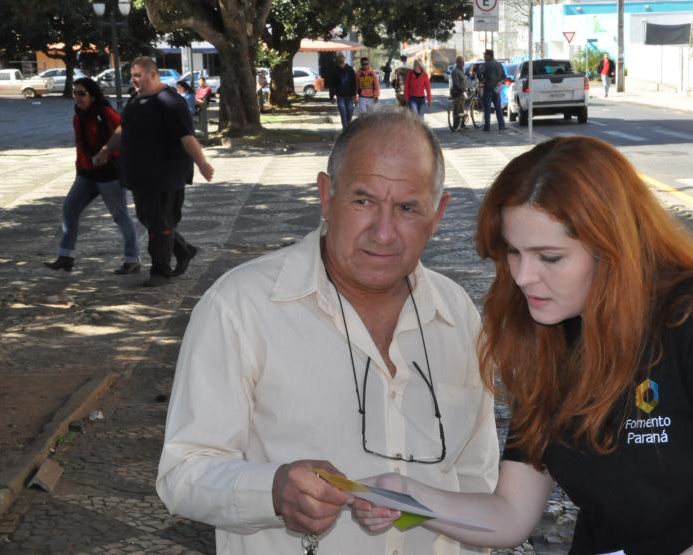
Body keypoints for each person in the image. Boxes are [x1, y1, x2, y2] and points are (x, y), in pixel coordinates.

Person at [353, 136, 693, 554]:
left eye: (550, 258)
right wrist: (409, 497)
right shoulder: (545, 334)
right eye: (514, 252)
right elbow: (511, 514)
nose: (523, 276)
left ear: (612, 248)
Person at [156, 108, 499, 555]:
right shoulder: (241, 306)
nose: (383, 232)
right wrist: (272, 490)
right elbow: (183, 472)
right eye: (363, 200)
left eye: (408, 208)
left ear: (438, 215)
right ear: (325, 195)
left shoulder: (457, 312)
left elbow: (477, 478)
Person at [94, 56, 214, 287]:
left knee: (160, 222)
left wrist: (202, 163)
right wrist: (107, 149)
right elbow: (122, 128)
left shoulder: (170, 102)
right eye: (132, 76)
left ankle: (160, 271)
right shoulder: (135, 100)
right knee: (148, 218)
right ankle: (184, 250)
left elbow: (187, 136)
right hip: (140, 174)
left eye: (138, 75)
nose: (134, 80)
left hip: (166, 174)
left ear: (153, 74)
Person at [44, 77, 140, 275]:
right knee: (70, 208)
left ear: (93, 96)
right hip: (86, 173)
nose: (77, 98)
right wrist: (80, 167)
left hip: (108, 174)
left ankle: (132, 259)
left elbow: (125, 133)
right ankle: (66, 256)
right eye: (75, 93)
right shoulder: (78, 116)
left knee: (120, 216)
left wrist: (107, 153)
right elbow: (81, 145)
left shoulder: (105, 113)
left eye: (82, 93)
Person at [330, 54, 358, 129]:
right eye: (339, 59)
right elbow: (332, 85)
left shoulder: (350, 69)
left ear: (345, 59)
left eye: (342, 59)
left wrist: (355, 97)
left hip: (349, 96)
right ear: (337, 60)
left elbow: (354, 84)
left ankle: (347, 126)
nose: (341, 60)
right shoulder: (334, 70)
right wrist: (331, 97)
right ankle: (345, 130)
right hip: (340, 96)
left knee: (350, 111)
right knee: (343, 112)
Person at [479, 49, 505, 131]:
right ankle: (501, 125)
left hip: (488, 88)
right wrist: (499, 82)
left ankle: (487, 126)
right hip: (496, 89)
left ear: (489, 56)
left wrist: (482, 80)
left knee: (487, 108)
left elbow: (479, 73)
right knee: (498, 107)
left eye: (485, 55)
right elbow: (504, 76)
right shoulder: (499, 64)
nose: (484, 57)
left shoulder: (486, 64)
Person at [449, 56, 468, 131]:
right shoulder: (455, 71)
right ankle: (456, 126)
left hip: (462, 93)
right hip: (457, 93)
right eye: (461, 62)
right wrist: (462, 90)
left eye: (463, 62)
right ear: (457, 63)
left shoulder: (461, 70)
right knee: (457, 110)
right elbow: (456, 84)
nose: (463, 64)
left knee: (461, 109)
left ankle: (462, 125)